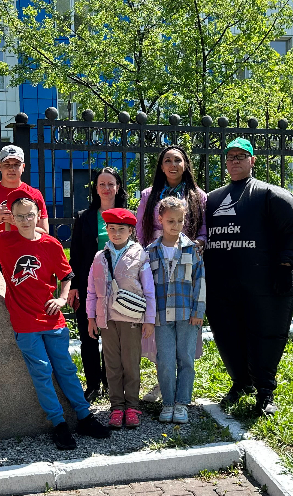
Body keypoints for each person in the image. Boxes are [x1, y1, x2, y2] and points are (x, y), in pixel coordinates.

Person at [0, 197, 115, 450]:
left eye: (30, 215)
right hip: (25, 322)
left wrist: (62, 298)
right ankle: (59, 424)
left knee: (66, 369)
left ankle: (84, 417)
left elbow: (67, 275)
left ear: (38, 216)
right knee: (42, 371)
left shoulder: (50, 244)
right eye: (20, 216)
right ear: (12, 218)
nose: (26, 220)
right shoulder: (5, 240)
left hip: (52, 319)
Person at [202, 138, 293, 414]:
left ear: (252, 160)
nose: (235, 161)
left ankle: (265, 391)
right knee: (227, 335)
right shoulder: (212, 200)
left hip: (263, 284)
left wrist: (286, 264)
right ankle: (240, 382)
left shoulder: (269, 194)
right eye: (230, 157)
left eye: (241, 156)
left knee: (265, 334)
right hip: (222, 285)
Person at [87, 208, 154, 429]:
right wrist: (91, 317)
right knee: (112, 364)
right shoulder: (99, 257)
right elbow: (91, 290)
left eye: (121, 229)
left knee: (131, 363)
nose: (116, 233)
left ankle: (132, 406)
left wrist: (149, 319)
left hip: (131, 319)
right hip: (107, 320)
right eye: (112, 229)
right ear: (106, 229)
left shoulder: (140, 255)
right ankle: (117, 406)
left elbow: (149, 290)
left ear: (131, 231)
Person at [68, 167, 128, 401]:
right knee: (88, 336)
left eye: (110, 183)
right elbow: (75, 254)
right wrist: (74, 285)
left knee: (113, 337)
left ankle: (110, 382)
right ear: (95, 188)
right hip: (88, 285)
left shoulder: (127, 216)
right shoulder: (84, 217)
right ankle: (93, 384)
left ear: (118, 187)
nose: (106, 188)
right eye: (101, 184)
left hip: (119, 285)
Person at [147, 196, 205, 425]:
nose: (176, 225)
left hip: (187, 314)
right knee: (165, 360)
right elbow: (147, 287)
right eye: (171, 221)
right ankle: (168, 402)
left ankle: (182, 402)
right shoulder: (151, 251)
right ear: (160, 219)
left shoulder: (192, 249)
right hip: (161, 316)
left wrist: (198, 311)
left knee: (186, 358)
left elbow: (200, 281)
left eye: (180, 221)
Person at [0, 144, 48, 240]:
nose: (11, 169)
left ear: (23, 167)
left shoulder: (34, 194)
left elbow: (45, 233)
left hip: (25, 249)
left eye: (16, 164)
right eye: (7, 164)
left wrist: (18, 222)